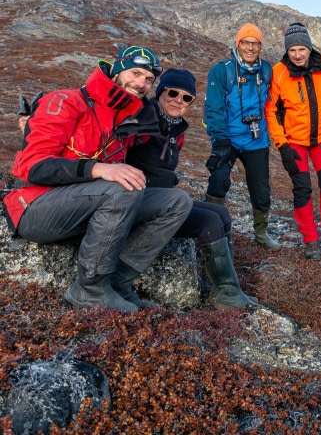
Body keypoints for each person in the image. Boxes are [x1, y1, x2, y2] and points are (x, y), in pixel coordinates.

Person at [3, 46, 192, 312]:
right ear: (115, 71)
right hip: (35, 207)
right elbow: (32, 166)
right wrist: (97, 169)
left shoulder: (124, 119)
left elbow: (154, 145)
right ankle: (89, 288)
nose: (141, 83)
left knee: (177, 201)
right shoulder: (65, 101)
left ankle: (116, 283)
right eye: (135, 73)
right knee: (120, 186)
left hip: (85, 207)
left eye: (149, 80)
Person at [126, 68, 256, 309]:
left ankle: (224, 287)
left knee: (221, 214)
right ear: (161, 91)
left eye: (187, 98)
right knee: (209, 222)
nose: (179, 100)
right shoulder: (143, 116)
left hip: (160, 200)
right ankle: (226, 295)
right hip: (136, 202)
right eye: (173, 93)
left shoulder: (176, 130)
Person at [265, 23, 321, 260]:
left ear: (309, 48)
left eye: (302, 49)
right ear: (287, 51)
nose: (298, 55)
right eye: (293, 50)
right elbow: (271, 111)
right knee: (302, 189)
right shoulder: (279, 71)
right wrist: (282, 145)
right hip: (295, 142)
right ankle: (311, 239)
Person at [203, 23, 280, 250]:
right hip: (228, 138)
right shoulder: (222, 71)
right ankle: (210, 229)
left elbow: (274, 104)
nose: (250, 47)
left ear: (260, 46)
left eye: (255, 43)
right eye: (246, 42)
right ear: (238, 44)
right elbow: (213, 109)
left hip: (257, 140)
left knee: (261, 189)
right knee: (219, 179)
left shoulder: (267, 70)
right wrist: (219, 140)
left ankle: (261, 233)